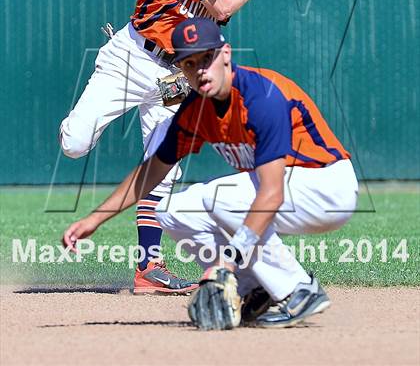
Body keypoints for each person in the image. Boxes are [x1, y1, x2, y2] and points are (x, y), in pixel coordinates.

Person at [62, 17, 359, 328]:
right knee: (171, 210)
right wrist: (93, 219)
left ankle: (299, 290)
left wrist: (227, 261)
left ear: (226, 54)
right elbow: (151, 172)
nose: (200, 70)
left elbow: (272, 193)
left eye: (207, 58)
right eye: (189, 63)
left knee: (221, 198)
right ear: (179, 69)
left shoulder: (261, 97)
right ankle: (255, 290)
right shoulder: (195, 109)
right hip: (285, 191)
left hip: (326, 187)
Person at [59, 0, 257, 294]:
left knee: (162, 169)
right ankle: (73, 127)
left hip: (174, 76)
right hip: (132, 58)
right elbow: (221, 8)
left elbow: (207, 27)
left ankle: (148, 268)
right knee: (75, 143)